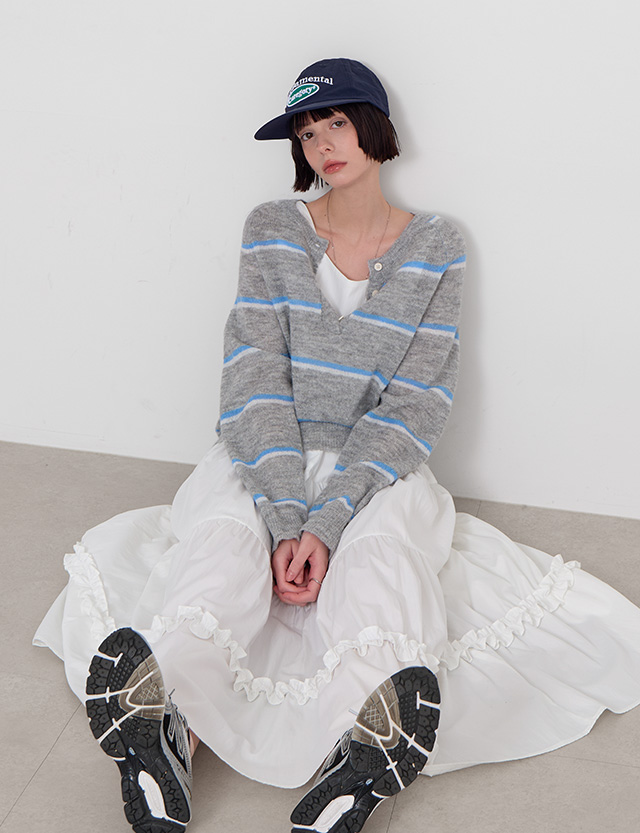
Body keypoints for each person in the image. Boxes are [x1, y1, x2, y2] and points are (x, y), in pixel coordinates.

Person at [34, 58, 640, 833]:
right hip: (267, 451)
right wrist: (287, 516)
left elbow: (416, 402)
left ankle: (362, 753)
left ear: (374, 128)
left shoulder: (437, 246)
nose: (322, 145)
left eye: (337, 124)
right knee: (225, 542)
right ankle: (164, 726)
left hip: (379, 465)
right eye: (307, 132)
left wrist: (327, 523)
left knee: (378, 558)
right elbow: (253, 379)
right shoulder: (271, 229)